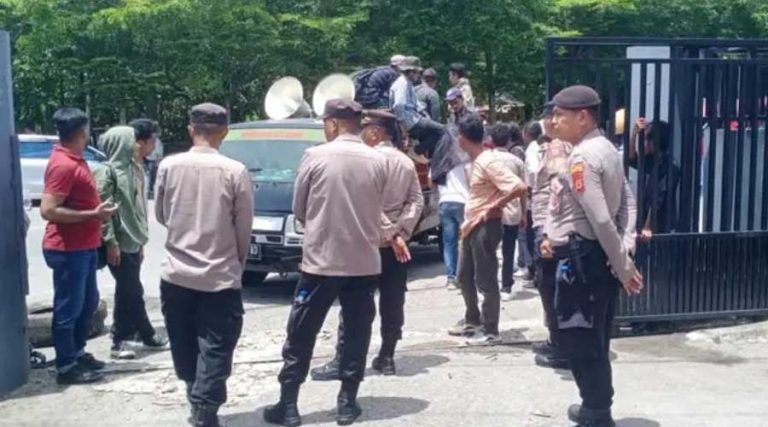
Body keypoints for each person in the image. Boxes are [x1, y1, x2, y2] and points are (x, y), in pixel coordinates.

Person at [264, 99, 402, 427]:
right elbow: (377, 206)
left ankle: (288, 404)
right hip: (364, 263)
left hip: (321, 263)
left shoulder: (315, 156)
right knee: (356, 331)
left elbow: (299, 209)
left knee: (301, 332)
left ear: (333, 124)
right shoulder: (377, 160)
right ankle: (346, 403)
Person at [541, 85, 643, 427]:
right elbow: (629, 203)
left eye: (560, 115)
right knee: (596, 333)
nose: (554, 121)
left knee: (580, 336)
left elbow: (600, 218)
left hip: (583, 259)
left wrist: (624, 265)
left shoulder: (582, 157)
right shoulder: (607, 149)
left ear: (582, 117)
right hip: (597, 257)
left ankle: (596, 412)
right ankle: (596, 405)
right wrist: (625, 246)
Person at [155, 103, 253, 427]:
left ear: (190, 130)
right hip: (219, 276)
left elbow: (161, 215)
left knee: (182, 341)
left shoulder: (169, 165)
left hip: (176, 273)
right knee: (216, 346)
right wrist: (236, 264)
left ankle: (195, 398)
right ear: (224, 132)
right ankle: (204, 410)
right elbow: (243, 229)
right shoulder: (235, 170)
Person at [310, 109, 423, 381]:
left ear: (375, 132)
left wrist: (389, 234)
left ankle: (343, 359)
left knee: (355, 305)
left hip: (365, 243)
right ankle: (387, 356)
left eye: (364, 128)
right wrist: (401, 233)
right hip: (397, 248)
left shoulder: (367, 161)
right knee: (393, 302)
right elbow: (416, 201)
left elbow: (366, 204)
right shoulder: (405, 162)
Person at [40, 107, 117, 385]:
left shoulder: (76, 158)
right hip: (67, 249)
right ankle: (66, 366)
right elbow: (48, 210)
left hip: (84, 246)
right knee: (68, 309)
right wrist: (93, 215)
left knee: (87, 304)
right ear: (81, 130)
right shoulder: (63, 164)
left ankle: (78, 352)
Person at [447, 113, 527, 345]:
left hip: (485, 226)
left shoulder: (488, 161)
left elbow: (518, 186)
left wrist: (490, 208)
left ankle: (491, 328)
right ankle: (472, 319)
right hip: (471, 226)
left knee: (486, 279)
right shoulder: (476, 162)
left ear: (462, 138)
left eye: (457, 137)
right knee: (463, 276)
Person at [94, 120, 168, 360]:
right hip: (119, 242)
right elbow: (105, 214)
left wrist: (142, 241)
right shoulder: (107, 172)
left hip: (134, 240)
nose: (137, 145)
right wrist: (112, 242)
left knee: (126, 290)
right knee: (133, 291)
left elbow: (137, 210)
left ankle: (125, 334)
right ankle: (137, 336)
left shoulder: (134, 168)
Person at [530, 103, 572, 370]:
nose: (548, 120)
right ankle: (557, 340)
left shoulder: (557, 147)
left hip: (550, 226)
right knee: (550, 284)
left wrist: (547, 232)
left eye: (552, 115)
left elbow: (557, 189)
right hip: (550, 224)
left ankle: (562, 345)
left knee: (550, 285)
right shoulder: (558, 146)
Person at [487, 123, 527, 301]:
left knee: (488, 250)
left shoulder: (486, 159)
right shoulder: (517, 161)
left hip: (491, 211)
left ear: (491, 140)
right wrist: (524, 213)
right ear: (508, 140)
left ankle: (488, 285)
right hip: (512, 212)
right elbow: (523, 189)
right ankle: (506, 286)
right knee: (508, 251)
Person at [628, 118, 680, 240]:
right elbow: (631, 159)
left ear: (654, 143)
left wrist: (648, 226)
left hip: (661, 224)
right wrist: (634, 133)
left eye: (646, 139)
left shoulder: (668, 167)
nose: (644, 143)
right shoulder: (652, 161)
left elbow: (658, 199)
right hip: (647, 221)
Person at [390, 56, 445, 157]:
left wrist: (426, 115)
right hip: (411, 121)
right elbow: (398, 105)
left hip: (415, 118)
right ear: (411, 71)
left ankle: (421, 153)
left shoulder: (408, 83)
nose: (419, 75)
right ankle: (416, 151)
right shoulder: (402, 84)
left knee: (433, 133)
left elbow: (417, 104)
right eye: (417, 72)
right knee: (444, 130)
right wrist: (403, 129)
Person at [517, 121, 543, 282]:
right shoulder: (540, 147)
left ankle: (534, 271)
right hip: (538, 197)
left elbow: (533, 171)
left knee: (530, 236)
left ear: (527, 134)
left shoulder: (532, 149)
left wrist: (531, 189)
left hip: (533, 198)